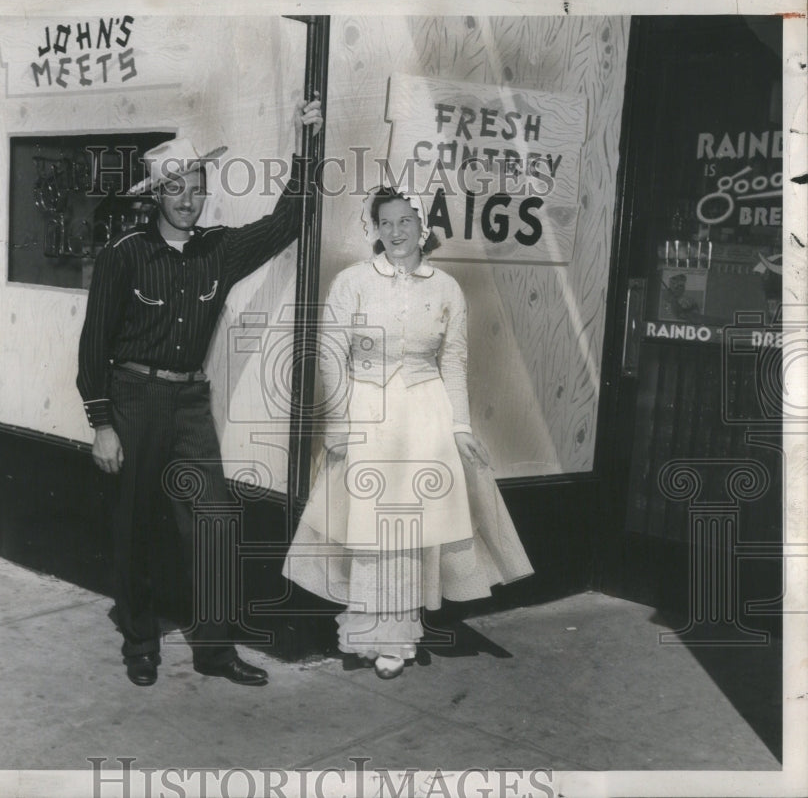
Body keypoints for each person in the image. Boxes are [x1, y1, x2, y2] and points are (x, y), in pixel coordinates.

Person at [77, 98, 323, 687]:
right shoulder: (124, 256)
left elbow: (287, 222)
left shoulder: (219, 249)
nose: (188, 200)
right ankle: (140, 644)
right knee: (134, 525)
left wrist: (304, 144)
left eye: (196, 188)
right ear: (156, 195)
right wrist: (102, 424)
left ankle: (215, 650)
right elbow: (93, 346)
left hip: (190, 403)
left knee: (214, 520)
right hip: (133, 399)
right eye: (176, 190)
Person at [284, 186, 534, 680]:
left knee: (407, 534)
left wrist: (460, 427)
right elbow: (332, 353)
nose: (396, 233)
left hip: (424, 416)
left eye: (405, 222)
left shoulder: (445, 288)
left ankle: (396, 640)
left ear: (422, 227)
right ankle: (365, 634)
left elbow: (455, 360)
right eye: (386, 224)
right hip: (366, 414)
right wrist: (338, 422)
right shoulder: (352, 282)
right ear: (374, 230)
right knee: (370, 531)